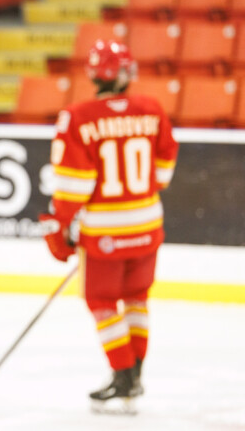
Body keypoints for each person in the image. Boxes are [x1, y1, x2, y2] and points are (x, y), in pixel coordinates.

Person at [39, 40, 178, 410]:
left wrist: (60, 225)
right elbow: (163, 170)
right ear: (125, 73)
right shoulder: (152, 108)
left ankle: (123, 376)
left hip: (105, 233)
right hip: (147, 224)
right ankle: (135, 375)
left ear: (93, 74)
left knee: (102, 302)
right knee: (137, 298)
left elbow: (72, 185)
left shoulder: (78, 116)